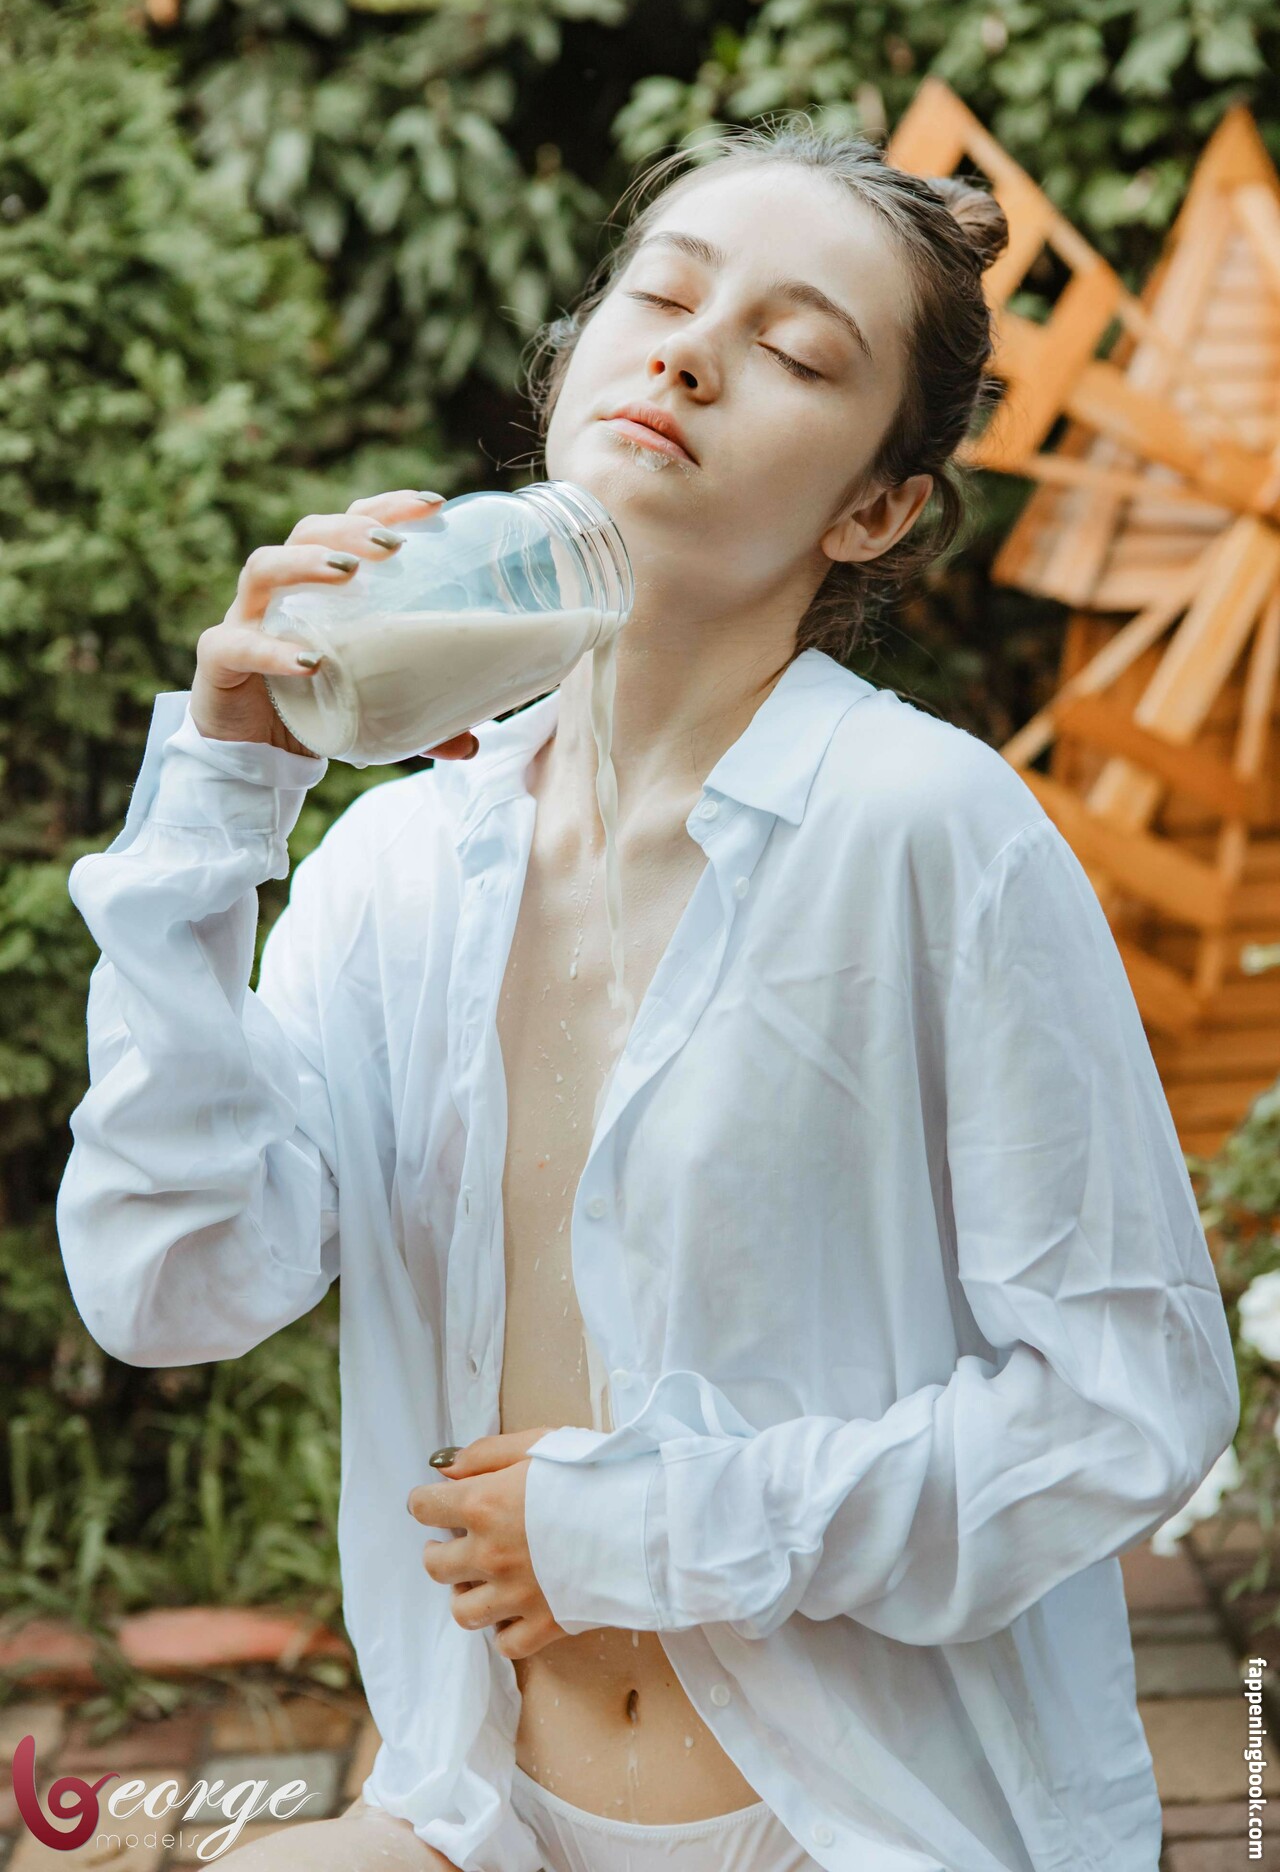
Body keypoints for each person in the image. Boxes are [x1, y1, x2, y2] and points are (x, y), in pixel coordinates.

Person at [56, 116, 1239, 1872]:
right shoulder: (398, 872)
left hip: (868, 1820)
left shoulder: (926, 831)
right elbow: (170, 1285)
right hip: (481, 1809)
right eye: (662, 297)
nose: (690, 354)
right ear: (574, 364)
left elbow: (1131, 1398)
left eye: (797, 352)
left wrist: (653, 1530)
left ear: (876, 508)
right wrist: (217, 812)